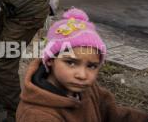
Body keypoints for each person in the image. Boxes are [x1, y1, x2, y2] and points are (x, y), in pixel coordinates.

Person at [17, 8, 148, 121]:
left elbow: (114, 115)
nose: (82, 75)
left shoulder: (88, 90)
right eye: (71, 63)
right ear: (51, 60)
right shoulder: (38, 115)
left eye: (91, 66)